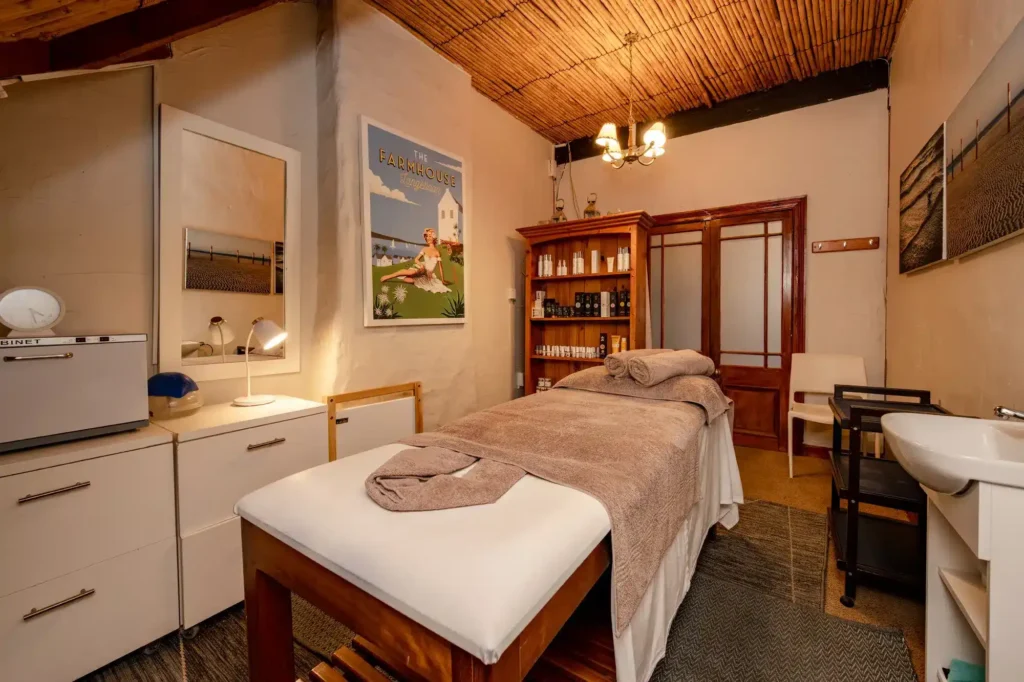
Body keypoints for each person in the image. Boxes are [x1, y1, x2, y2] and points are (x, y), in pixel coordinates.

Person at [379, 228, 451, 293]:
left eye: (430, 236)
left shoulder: (437, 252)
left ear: (433, 238)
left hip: (426, 273)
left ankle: (412, 276)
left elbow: (440, 267)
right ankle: (388, 276)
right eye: (427, 236)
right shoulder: (424, 249)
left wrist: (443, 280)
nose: (428, 238)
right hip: (421, 268)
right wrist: (420, 265)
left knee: (407, 279)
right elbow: (416, 259)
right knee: (411, 273)